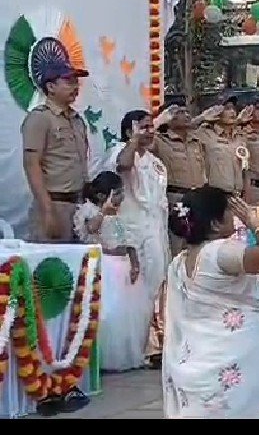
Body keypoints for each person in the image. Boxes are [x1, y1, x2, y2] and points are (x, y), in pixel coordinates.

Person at [162, 187, 259, 418]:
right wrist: (255, 223)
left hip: (200, 362)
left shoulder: (179, 263)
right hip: (235, 360)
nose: (235, 216)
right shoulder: (220, 252)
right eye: (229, 212)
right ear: (215, 224)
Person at [109, 109, 171, 370]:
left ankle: (156, 343)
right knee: (139, 290)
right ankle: (143, 348)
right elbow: (123, 166)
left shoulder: (155, 162)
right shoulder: (120, 151)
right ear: (129, 131)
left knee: (158, 285)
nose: (150, 132)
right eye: (144, 127)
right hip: (133, 231)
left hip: (156, 229)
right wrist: (133, 141)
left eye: (151, 127)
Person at [74, 171, 148, 373]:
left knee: (128, 315)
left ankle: (127, 356)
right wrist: (103, 212)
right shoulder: (89, 210)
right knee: (109, 312)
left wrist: (135, 263)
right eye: (117, 193)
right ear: (102, 195)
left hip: (124, 265)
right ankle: (106, 358)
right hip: (106, 266)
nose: (121, 197)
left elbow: (129, 240)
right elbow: (90, 229)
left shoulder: (120, 213)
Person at [21, 60, 90, 243]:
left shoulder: (77, 120)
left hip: (79, 205)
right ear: (51, 87)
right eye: (69, 81)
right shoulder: (40, 118)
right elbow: (31, 164)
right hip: (54, 204)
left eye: (76, 82)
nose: (75, 87)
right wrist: (47, 210)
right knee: (53, 259)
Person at [152, 102, 208, 257]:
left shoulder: (196, 140)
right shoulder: (160, 141)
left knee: (200, 245)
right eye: (179, 112)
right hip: (177, 198)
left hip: (198, 197)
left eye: (186, 111)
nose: (186, 115)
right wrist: (159, 120)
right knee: (178, 245)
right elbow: (143, 140)